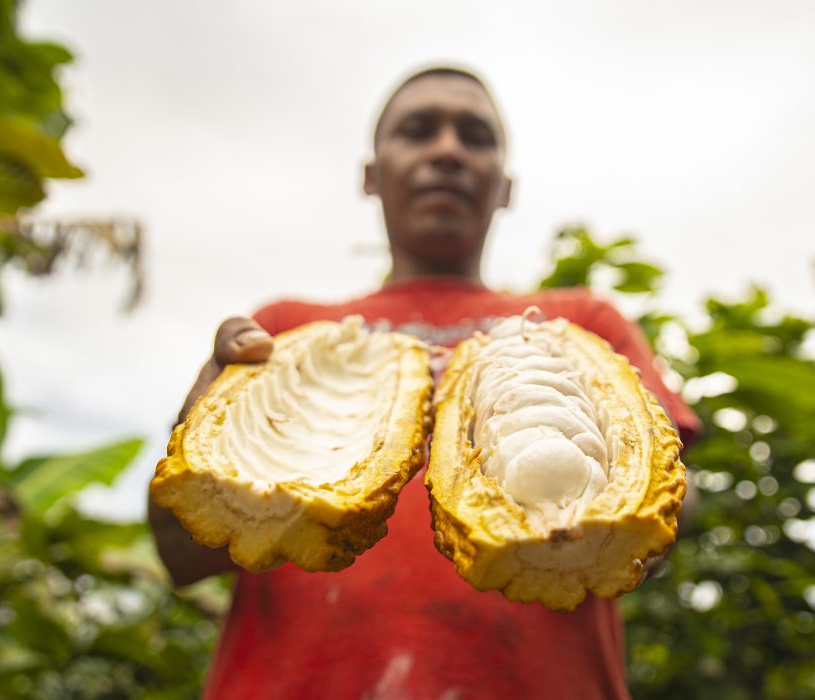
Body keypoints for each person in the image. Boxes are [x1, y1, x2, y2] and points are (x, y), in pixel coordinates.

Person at [149, 66, 701, 700]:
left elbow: (676, 508)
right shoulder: (281, 330)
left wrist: (622, 511)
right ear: (371, 174)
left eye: (475, 136)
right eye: (417, 131)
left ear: (505, 187)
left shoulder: (583, 322)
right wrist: (202, 445)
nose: (446, 150)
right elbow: (181, 553)